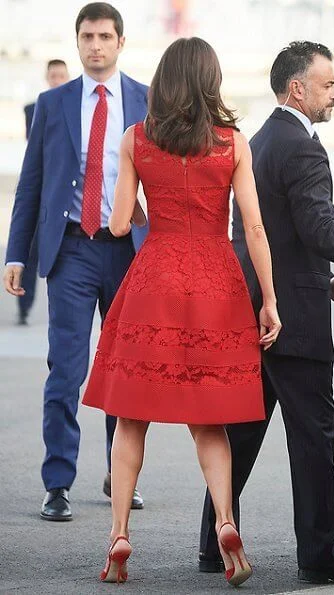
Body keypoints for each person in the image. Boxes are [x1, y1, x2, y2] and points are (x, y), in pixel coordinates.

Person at [199, 41, 334, 585]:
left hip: (254, 307)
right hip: (292, 322)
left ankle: (211, 544)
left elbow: (268, 233)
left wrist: (330, 282)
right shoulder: (305, 148)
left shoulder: (261, 141)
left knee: (240, 435)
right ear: (298, 88)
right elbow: (316, 228)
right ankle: (319, 556)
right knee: (314, 438)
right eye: (328, 84)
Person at [82, 37, 281, 586]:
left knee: (130, 417)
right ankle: (225, 523)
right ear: (210, 81)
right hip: (217, 282)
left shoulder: (136, 140)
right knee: (209, 421)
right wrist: (269, 299)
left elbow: (119, 225)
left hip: (154, 280)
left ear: (164, 82)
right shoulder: (233, 143)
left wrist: (141, 203)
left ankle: (119, 534)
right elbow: (255, 229)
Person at [3, 2, 148, 522]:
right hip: (70, 247)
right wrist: (16, 253)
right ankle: (57, 482)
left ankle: (120, 473)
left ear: (120, 42)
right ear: (78, 40)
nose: (95, 45)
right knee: (65, 369)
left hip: (128, 250)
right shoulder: (53, 102)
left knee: (123, 369)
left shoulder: (147, 102)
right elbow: (31, 184)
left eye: (105, 36)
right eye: (87, 36)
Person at [17, 60, 70, 326]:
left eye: (62, 75)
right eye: (53, 76)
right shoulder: (35, 107)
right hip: (42, 189)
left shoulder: (79, 107)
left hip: (65, 197)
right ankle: (24, 306)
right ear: (47, 77)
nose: (57, 80)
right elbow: (34, 150)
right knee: (30, 251)